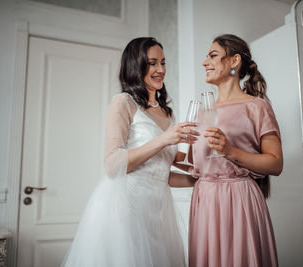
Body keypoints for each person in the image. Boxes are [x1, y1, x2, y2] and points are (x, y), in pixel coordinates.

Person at [62, 37, 197, 267]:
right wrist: (165, 139)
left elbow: (164, 172)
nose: (160, 69)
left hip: (159, 215)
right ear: (136, 66)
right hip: (126, 211)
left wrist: (202, 176)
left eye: (163, 63)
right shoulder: (123, 102)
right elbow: (113, 165)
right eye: (152, 63)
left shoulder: (168, 113)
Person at [188, 34, 283, 267]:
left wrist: (231, 151)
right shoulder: (201, 113)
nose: (204, 62)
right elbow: (197, 170)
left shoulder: (257, 106)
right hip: (204, 202)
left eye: (213, 56)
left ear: (234, 61)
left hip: (240, 200)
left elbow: (275, 164)